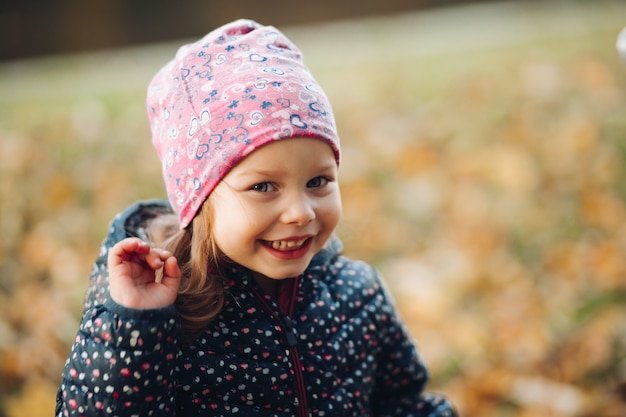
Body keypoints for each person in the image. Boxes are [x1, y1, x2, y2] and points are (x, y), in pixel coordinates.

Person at [56, 19, 457, 417]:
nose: (301, 212)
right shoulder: (163, 312)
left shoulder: (358, 294)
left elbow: (403, 405)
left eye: (318, 181)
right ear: (199, 200)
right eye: (264, 187)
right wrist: (136, 328)